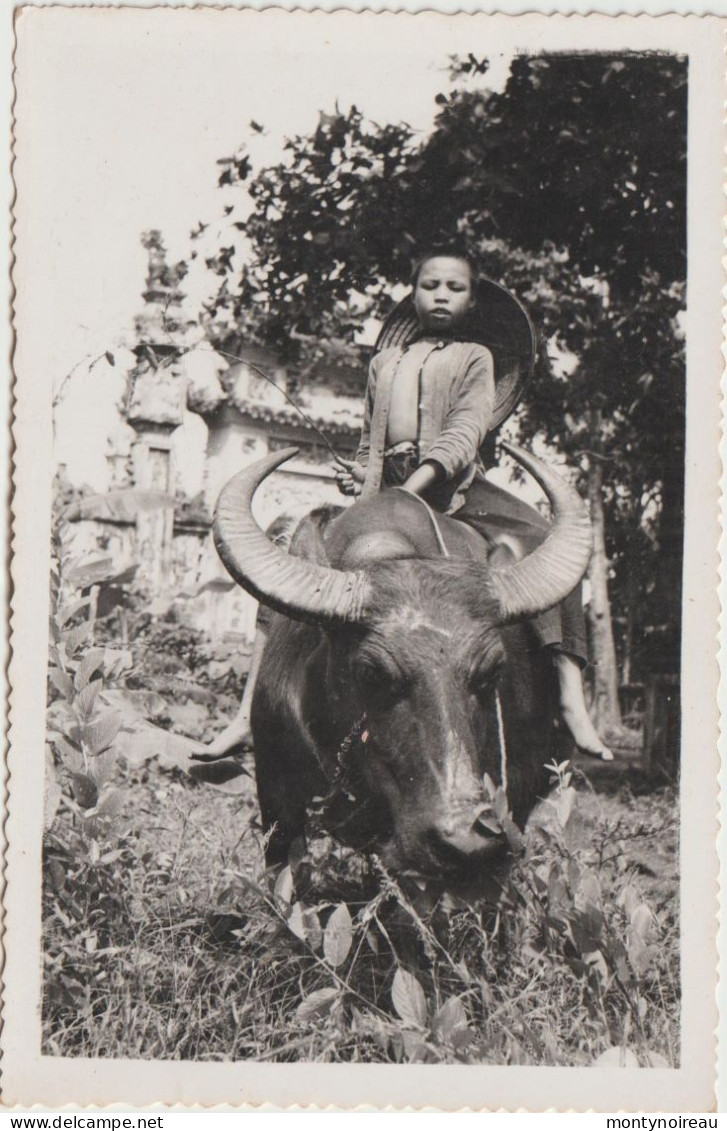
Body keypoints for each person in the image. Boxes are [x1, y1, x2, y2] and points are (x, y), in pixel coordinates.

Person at [199, 251, 612, 763]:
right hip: (387, 490)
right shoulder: (384, 363)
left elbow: (461, 436)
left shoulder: (474, 358)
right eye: (431, 285)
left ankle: (571, 697)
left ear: (470, 299)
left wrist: (413, 489)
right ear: (413, 294)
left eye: (454, 287)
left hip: (455, 490)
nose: (441, 295)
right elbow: (371, 440)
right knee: (294, 542)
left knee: (546, 539)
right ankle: (248, 712)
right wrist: (363, 477)